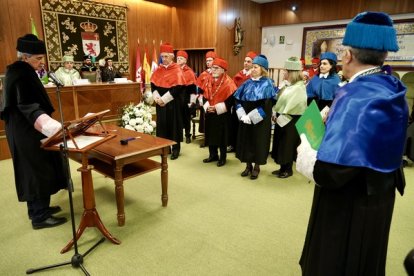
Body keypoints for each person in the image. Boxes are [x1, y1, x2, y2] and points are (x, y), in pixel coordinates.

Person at [298, 12, 409, 275]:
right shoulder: (389, 86)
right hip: (378, 193)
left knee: (338, 259)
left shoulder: (356, 96)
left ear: (347, 55)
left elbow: (331, 172)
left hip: (350, 201)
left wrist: (305, 149)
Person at [0, 34, 67, 229]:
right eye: (37, 58)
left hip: (24, 129)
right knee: (36, 170)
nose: (41, 62)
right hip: (27, 131)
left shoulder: (18, 71)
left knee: (36, 169)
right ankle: (39, 216)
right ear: (24, 57)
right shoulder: (21, 73)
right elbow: (28, 106)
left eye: (42, 58)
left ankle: (39, 209)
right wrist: (53, 128)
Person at [233, 55, 276, 179]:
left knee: (258, 142)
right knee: (246, 141)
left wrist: (252, 117)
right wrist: (241, 113)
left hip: (260, 119)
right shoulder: (247, 83)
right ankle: (248, 166)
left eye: (255, 67)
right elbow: (237, 99)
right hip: (245, 117)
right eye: (252, 67)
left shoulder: (268, 84)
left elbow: (267, 105)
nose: (252, 69)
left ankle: (257, 167)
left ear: (263, 69)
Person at [271, 57, 307, 178]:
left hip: (291, 119)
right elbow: (279, 101)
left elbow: (294, 107)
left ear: (292, 72)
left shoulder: (299, 87)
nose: (284, 72)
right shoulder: (289, 85)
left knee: (288, 144)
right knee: (280, 143)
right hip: (283, 117)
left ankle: (288, 169)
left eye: (286, 70)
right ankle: (282, 167)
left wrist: (281, 117)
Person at [151, 42, 186, 160]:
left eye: (166, 56)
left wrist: (164, 99)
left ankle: (175, 149)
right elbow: (153, 85)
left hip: (172, 103)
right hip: (160, 103)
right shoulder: (158, 69)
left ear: (172, 56)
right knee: (162, 126)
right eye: (162, 56)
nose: (164, 59)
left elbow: (178, 87)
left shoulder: (177, 69)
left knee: (173, 126)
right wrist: (156, 98)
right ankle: (165, 148)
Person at [201, 57, 237, 167]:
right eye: (212, 68)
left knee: (222, 136)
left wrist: (216, 108)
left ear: (223, 69)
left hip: (222, 115)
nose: (213, 70)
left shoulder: (229, 83)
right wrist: (207, 106)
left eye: (216, 68)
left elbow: (230, 101)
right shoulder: (208, 80)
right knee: (211, 134)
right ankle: (213, 155)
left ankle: (222, 157)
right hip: (210, 112)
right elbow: (203, 96)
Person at [229, 51, 258, 153]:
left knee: (245, 126)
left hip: (248, 104)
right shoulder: (239, 75)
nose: (246, 63)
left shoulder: (254, 77)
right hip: (238, 103)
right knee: (235, 125)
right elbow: (233, 89)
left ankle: (243, 147)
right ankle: (233, 145)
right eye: (245, 61)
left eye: (249, 62)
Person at [196, 51, 217, 146]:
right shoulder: (203, 74)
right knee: (205, 120)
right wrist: (200, 99)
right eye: (207, 61)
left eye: (210, 60)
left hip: (215, 101)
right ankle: (206, 139)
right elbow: (199, 89)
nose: (208, 62)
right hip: (205, 100)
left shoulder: (217, 73)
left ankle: (213, 139)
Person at [176, 50, 197, 144]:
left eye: (181, 58)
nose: (178, 60)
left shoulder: (189, 72)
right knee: (177, 119)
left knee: (186, 118)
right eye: (177, 58)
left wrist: (192, 102)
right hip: (176, 98)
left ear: (185, 60)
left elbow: (193, 89)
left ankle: (187, 135)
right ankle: (178, 136)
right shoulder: (174, 70)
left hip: (186, 98)